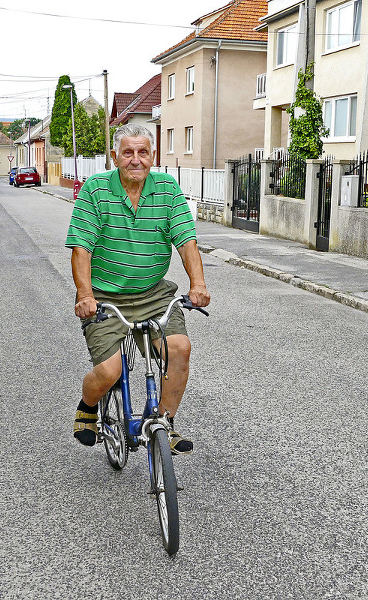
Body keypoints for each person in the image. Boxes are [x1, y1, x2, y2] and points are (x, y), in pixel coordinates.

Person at [65, 123, 211, 455]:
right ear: (115, 156)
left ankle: (164, 422)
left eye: (143, 152)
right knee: (109, 371)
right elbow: (81, 249)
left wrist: (198, 284)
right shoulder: (96, 189)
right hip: (103, 295)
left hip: (152, 293)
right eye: (128, 152)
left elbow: (187, 243)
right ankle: (88, 408)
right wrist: (85, 295)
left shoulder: (167, 189)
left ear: (152, 156)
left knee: (179, 349)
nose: (136, 159)